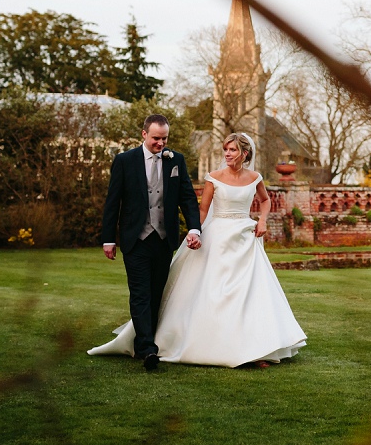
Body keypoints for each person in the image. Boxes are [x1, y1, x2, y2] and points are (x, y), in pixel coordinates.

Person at [89, 131, 306, 368]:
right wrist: (195, 232)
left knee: (249, 293)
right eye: (226, 149)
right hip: (218, 238)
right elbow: (201, 210)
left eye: (232, 150)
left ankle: (254, 349)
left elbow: (265, 200)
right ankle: (187, 342)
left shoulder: (255, 177)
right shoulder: (213, 177)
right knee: (215, 292)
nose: (227, 154)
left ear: (244, 153)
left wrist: (262, 220)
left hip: (245, 239)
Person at [96, 114, 202, 372]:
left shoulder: (176, 160)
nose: (160, 143)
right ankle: (147, 349)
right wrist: (108, 238)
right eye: (156, 138)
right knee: (140, 293)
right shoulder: (125, 161)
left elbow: (187, 197)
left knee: (156, 293)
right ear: (144, 134)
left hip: (164, 239)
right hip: (136, 238)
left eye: (164, 138)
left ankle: (149, 340)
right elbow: (113, 201)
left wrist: (195, 227)